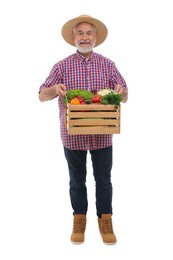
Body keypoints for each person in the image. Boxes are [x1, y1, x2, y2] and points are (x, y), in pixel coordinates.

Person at [38, 15, 128, 244]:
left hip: (102, 134)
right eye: (81, 33)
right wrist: (54, 89)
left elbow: (125, 94)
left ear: (95, 38)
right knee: (76, 181)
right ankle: (79, 219)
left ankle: (105, 220)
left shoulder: (108, 65)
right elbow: (41, 95)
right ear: (73, 37)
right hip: (72, 135)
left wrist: (120, 91)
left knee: (104, 180)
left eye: (89, 33)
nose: (85, 37)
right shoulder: (61, 66)